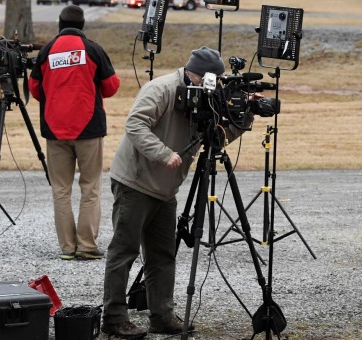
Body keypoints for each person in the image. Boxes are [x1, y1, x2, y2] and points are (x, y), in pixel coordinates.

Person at [102, 46, 254, 338]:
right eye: (208, 80)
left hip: (165, 189)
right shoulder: (162, 88)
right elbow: (135, 124)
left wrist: (244, 117)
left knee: (162, 255)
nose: (213, 87)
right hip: (135, 183)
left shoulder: (207, 98)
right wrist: (163, 153)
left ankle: (161, 316)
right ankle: (113, 318)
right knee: (124, 251)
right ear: (194, 74)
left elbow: (216, 139)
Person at [29, 5, 120, 261]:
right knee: (90, 188)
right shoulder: (92, 49)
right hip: (88, 129)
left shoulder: (46, 50)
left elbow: (35, 88)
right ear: (82, 26)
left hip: (55, 130)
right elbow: (111, 86)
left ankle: (67, 248)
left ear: (59, 24)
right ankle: (87, 246)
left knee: (61, 189)